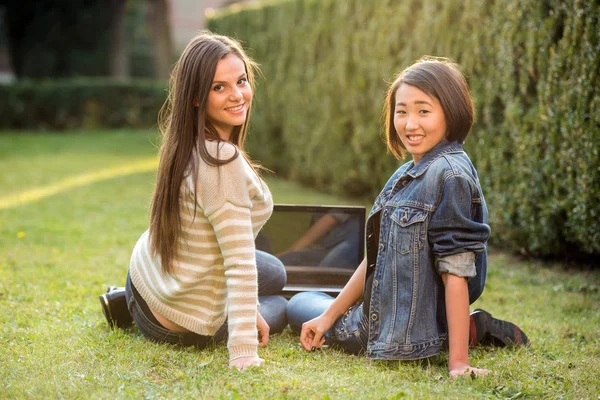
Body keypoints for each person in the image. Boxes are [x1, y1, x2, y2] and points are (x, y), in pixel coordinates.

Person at [286, 57, 529, 378]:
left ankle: (449, 334)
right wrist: (329, 315)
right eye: (402, 111)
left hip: (384, 328)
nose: (410, 123)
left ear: (451, 111)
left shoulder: (447, 175)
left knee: (298, 302)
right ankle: (457, 327)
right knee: (322, 303)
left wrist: (459, 364)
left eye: (423, 111)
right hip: (400, 310)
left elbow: (456, 269)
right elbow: (379, 258)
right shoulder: (414, 172)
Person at [99, 32, 288, 371]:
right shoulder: (221, 161)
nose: (237, 95)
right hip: (179, 325)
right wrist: (243, 349)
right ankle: (126, 305)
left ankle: (123, 301)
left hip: (145, 280)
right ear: (197, 97)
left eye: (241, 81)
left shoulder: (187, 143)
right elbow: (241, 264)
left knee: (273, 270)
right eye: (219, 87)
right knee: (280, 301)